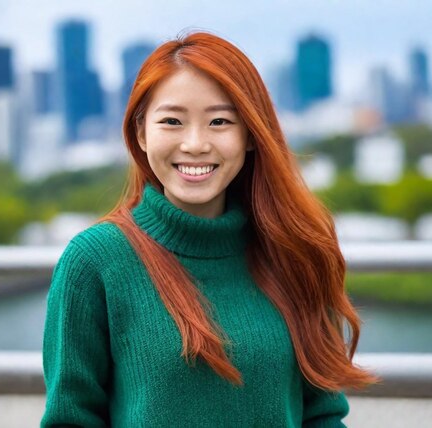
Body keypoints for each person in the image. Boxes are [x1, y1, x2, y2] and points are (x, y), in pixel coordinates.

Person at [41, 31, 376, 428]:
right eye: (172, 121)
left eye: (219, 121)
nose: (196, 144)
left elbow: (323, 415)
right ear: (141, 132)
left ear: (250, 134)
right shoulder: (94, 262)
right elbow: (71, 419)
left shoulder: (293, 249)